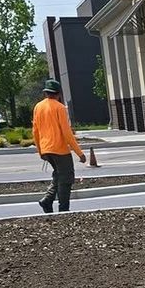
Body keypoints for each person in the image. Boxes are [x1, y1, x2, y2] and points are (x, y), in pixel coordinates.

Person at [32, 79, 89, 213]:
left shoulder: (38, 107)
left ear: (46, 93)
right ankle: (63, 209)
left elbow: (35, 131)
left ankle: (47, 200)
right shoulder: (60, 107)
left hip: (46, 149)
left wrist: (40, 151)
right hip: (60, 150)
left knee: (58, 176)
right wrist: (79, 153)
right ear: (58, 94)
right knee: (66, 179)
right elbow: (67, 133)